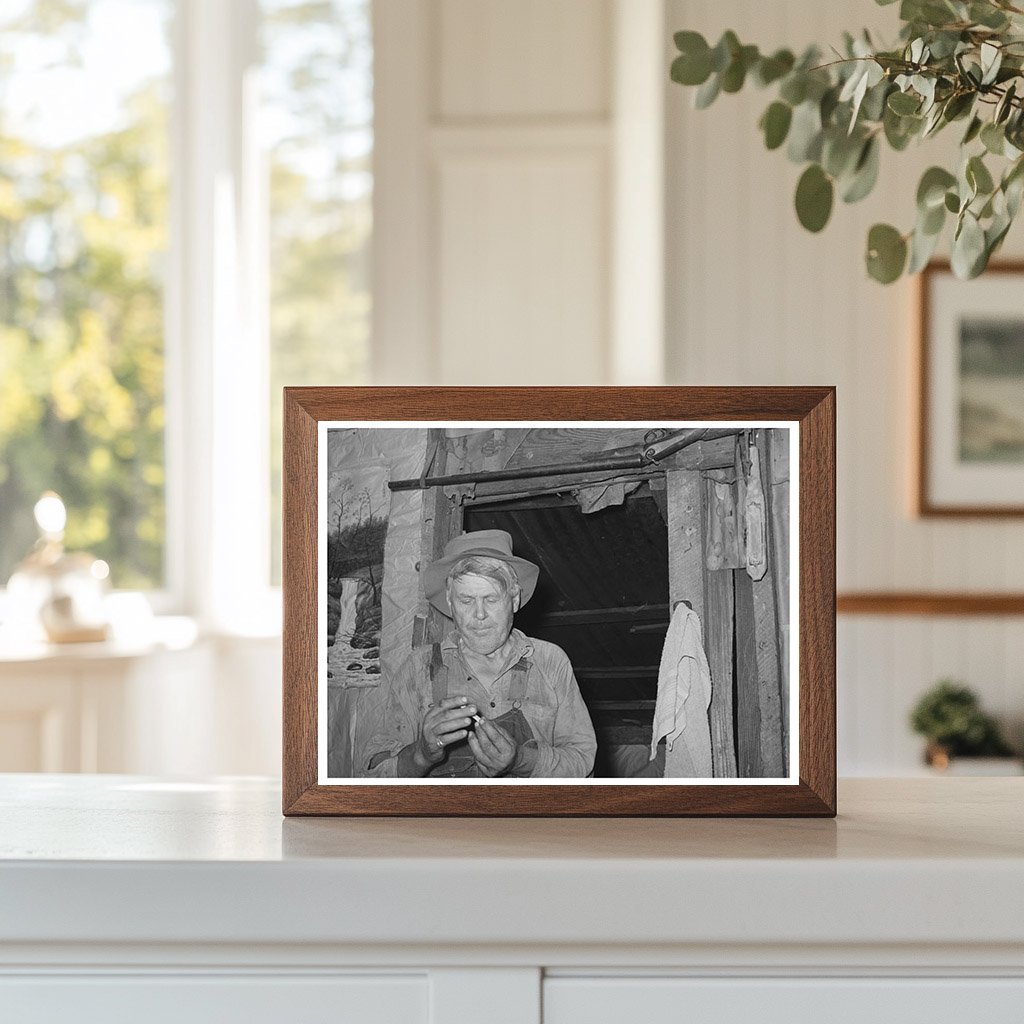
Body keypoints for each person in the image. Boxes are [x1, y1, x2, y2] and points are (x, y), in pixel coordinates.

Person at [356, 530, 596, 778]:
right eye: (466, 600)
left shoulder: (549, 662)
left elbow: (584, 763)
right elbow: (370, 771)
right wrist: (421, 755)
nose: (479, 615)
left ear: (514, 600)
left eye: (491, 599)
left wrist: (520, 759)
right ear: (450, 602)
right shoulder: (420, 667)